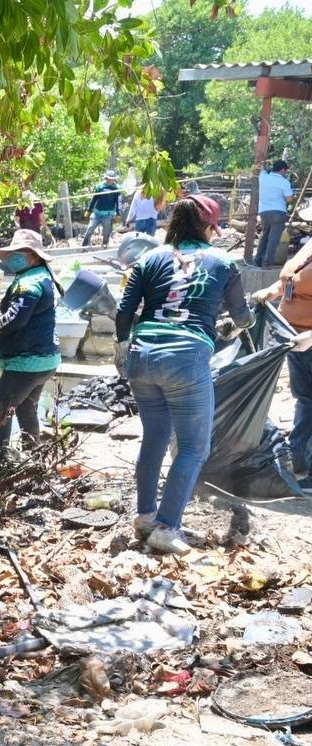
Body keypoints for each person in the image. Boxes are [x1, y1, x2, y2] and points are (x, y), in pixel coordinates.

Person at [115, 196, 252, 554]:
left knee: (154, 438)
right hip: (186, 359)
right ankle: (166, 527)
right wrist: (235, 326)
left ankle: (145, 515)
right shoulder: (223, 261)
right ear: (208, 228)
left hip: (141, 356)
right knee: (193, 447)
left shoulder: (149, 258)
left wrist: (121, 347)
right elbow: (241, 315)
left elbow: (125, 309)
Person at [0, 229, 60, 455]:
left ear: (33, 255)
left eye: (18, 252)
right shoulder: (42, 276)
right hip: (45, 360)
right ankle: (34, 455)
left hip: (26, 362)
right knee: (25, 408)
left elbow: (14, 320)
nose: (13, 258)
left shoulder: (28, 283)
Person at [252, 238, 312, 489]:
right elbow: (289, 280)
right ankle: (299, 460)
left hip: (307, 338)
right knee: (306, 399)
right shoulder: (308, 246)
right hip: (294, 339)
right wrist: (272, 291)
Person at [255, 159, 294, 268]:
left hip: (264, 212)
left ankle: (258, 260)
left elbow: (262, 168)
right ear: (282, 170)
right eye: (285, 170)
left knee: (264, 236)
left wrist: (263, 164)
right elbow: (289, 199)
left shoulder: (263, 177)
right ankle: (267, 263)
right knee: (273, 239)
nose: (285, 173)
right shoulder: (284, 182)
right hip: (278, 212)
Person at [82, 171, 121, 247]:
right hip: (97, 213)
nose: (110, 180)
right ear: (106, 178)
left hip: (108, 215)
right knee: (90, 229)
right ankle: (84, 245)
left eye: (112, 179)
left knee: (106, 231)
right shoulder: (100, 187)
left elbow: (118, 201)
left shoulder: (117, 189)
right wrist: (89, 210)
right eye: (109, 179)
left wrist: (118, 213)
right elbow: (94, 199)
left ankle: (105, 245)